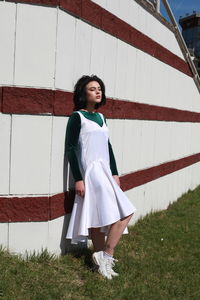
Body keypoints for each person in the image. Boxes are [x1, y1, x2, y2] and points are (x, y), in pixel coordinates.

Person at [66, 75, 136, 279]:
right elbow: (70, 148)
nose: (98, 92)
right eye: (92, 89)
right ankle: (107, 255)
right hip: (91, 172)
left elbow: (108, 147)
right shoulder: (76, 117)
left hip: (105, 172)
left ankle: (100, 261)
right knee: (114, 214)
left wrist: (115, 172)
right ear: (83, 94)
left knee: (118, 213)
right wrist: (78, 178)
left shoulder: (102, 118)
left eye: (99, 89)